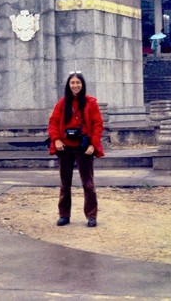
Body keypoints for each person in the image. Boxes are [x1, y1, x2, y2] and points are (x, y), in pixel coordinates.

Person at [48, 72, 105, 227]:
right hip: (65, 147)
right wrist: (57, 139)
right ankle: (64, 215)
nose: (75, 85)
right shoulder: (62, 103)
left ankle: (91, 216)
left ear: (82, 84)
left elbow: (97, 125)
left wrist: (93, 144)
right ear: (68, 85)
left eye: (78, 83)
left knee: (88, 183)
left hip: (84, 147)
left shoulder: (90, 102)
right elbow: (53, 122)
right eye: (72, 83)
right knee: (65, 183)